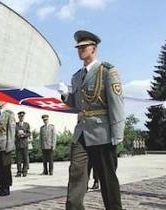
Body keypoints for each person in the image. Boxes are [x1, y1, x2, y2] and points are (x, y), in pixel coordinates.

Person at [58, 30, 124, 210]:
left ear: (93, 48)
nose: (80, 50)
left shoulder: (107, 71)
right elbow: (76, 105)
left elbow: (116, 104)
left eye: (84, 47)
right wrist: (66, 96)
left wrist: (117, 135)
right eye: (78, 47)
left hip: (102, 133)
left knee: (107, 179)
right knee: (76, 176)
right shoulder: (76, 76)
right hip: (81, 133)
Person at [0, 101, 16, 196]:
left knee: (5, 167)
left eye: (1, 100)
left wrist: (9, 146)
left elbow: (11, 131)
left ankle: (6, 187)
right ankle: (1, 186)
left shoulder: (9, 114)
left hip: (5, 143)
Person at [15, 111, 31, 177]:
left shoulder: (26, 124)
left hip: (24, 143)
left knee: (25, 158)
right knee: (18, 159)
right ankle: (19, 172)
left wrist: (24, 134)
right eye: (20, 116)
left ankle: (24, 171)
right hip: (18, 143)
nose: (21, 118)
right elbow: (13, 133)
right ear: (18, 117)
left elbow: (29, 133)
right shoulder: (16, 124)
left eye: (22, 116)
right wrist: (17, 135)